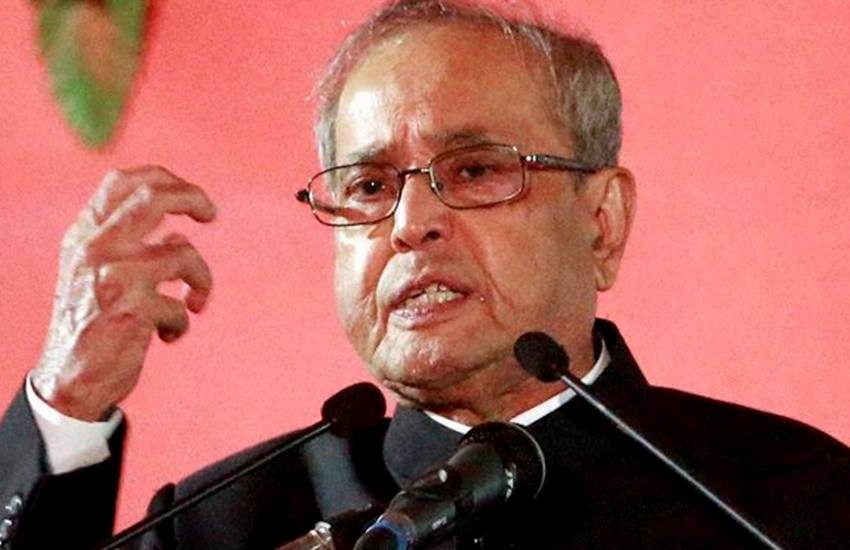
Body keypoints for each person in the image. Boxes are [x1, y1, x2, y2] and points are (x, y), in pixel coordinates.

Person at [1, 0, 848, 548]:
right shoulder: (226, 524)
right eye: (369, 187)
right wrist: (68, 404)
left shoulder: (792, 503)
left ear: (602, 222)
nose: (410, 223)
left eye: (474, 170)